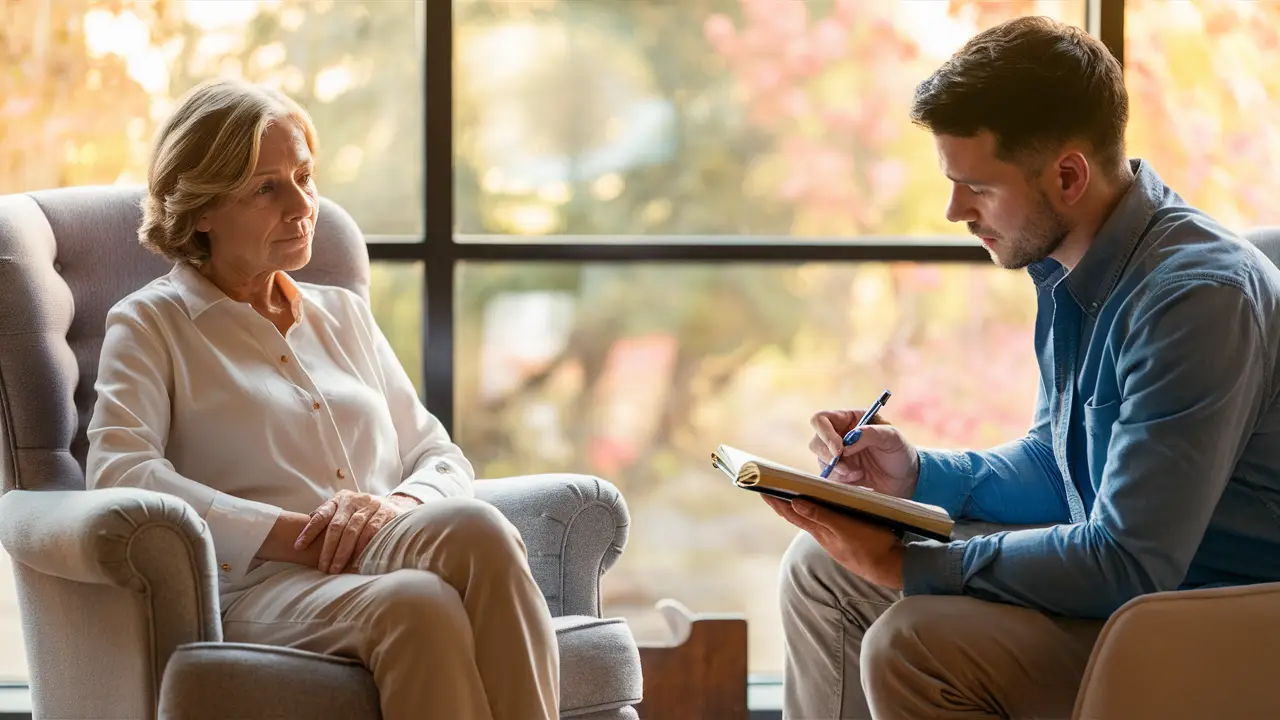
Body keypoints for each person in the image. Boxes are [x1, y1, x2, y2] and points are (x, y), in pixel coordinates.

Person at [767, 15, 1280, 720]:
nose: (954, 210)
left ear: (1068, 174)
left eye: (976, 186)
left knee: (912, 642)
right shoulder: (1076, 269)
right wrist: (915, 474)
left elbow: (1129, 561)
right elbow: (1059, 468)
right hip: (1140, 597)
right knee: (822, 570)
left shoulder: (1194, 300)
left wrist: (906, 563)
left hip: (1209, 627)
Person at [85, 79, 558, 720]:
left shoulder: (343, 315)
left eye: (305, 177)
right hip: (262, 589)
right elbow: (121, 473)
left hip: (384, 545)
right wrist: (293, 538)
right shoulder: (150, 325)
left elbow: (437, 454)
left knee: (464, 543)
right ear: (199, 208)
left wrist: (387, 510)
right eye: (266, 188)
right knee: (421, 602)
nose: (302, 205)